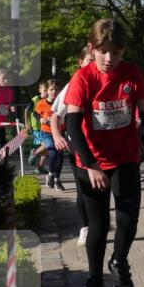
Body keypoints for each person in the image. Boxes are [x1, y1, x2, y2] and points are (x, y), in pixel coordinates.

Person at [64, 19, 144, 287]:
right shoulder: (82, 78)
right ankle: (94, 280)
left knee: (128, 218)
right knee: (99, 224)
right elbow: (72, 124)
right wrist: (91, 165)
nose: (110, 59)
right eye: (104, 52)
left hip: (125, 157)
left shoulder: (132, 73)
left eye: (116, 53)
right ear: (92, 49)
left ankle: (119, 262)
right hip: (91, 161)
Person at [51, 46, 94, 246]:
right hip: (78, 144)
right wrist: (57, 134)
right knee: (83, 188)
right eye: (89, 61)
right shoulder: (74, 84)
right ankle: (85, 227)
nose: (93, 64)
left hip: (103, 146)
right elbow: (56, 115)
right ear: (80, 62)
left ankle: (97, 226)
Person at [35, 79, 66, 190]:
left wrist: (63, 121)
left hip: (60, 132)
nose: (54, 92)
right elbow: (35, 114)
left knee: (60, 156)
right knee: (53, 152)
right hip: (47, 132)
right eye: (51, 89)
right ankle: (51, 174)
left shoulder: (62, 103)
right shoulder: (41, 103)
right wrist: (41, 119)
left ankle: (56, 179)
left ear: (60, 91)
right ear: (47, 91)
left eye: (56, 89)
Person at [26, 81, 49, 174]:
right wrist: (27, 123)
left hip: (46, 126)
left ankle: (39, 167)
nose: (46, 92)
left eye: (48, 90)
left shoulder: (49, 100)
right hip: (36, 127)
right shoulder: (35, 99)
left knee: (46, 148)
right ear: (39, 90)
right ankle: (34, 153)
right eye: (45, 90)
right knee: (45, 145)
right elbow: (26, 110)